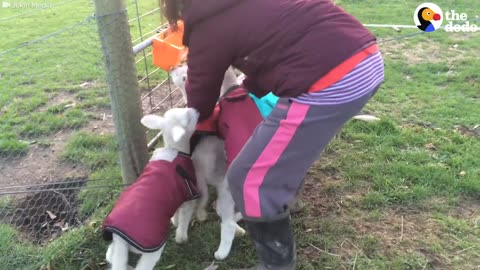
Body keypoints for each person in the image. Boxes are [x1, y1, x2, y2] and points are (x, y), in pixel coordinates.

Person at [160, 0, 385, 269]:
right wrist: (249, 85)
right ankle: (288, 196)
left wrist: (196, 118)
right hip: (365, 58)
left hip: (330, 82)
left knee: (249, 179)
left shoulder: (208, 24)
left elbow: (200, 98)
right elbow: (277, 42)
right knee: (285, 149)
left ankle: (276, 264)